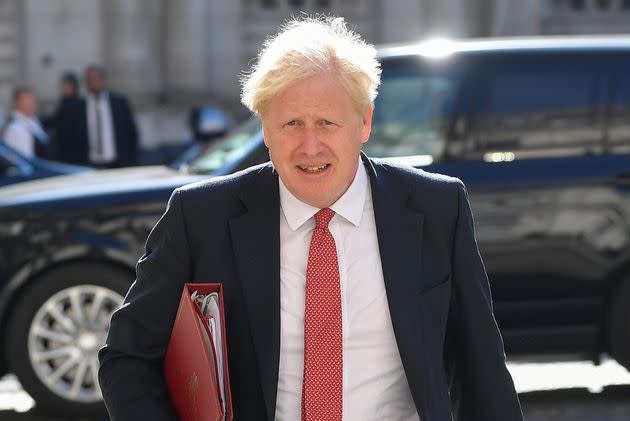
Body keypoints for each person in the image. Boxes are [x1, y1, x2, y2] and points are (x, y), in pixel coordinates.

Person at [99, 16, 523, 420]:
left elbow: (480, 368)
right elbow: (127, 358)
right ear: (265, 129)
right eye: (291, 123)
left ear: (364, 122)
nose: (311, 146)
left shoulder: (436, 208)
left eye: (327, 122)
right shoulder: (201, 217)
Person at [56, 65, 139, 167]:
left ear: (103, 80)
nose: (94, 82)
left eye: (97, 78)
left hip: (118, 163)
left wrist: (132, 161)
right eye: (90, 79)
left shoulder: (119, 103)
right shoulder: (76, 108)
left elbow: (131, 134)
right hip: (88, 165)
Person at [3, 87, 49, 158]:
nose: (31, 103)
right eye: (27, 100)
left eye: (32, 100)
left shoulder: (34, 122)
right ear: (17, 103)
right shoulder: (15, 128)